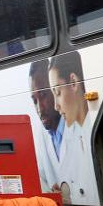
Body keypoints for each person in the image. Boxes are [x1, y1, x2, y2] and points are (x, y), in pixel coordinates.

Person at [50, 49, 96, 204]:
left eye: (57, 92)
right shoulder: (72, 137)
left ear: (74, 82)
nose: (55, 106)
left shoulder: (95, 129)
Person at [28, 59, 63, 193]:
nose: (39, 108)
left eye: (43, 95)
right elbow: (42, 180)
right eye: (34, 100)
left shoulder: (75, 125)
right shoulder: (41, 135)